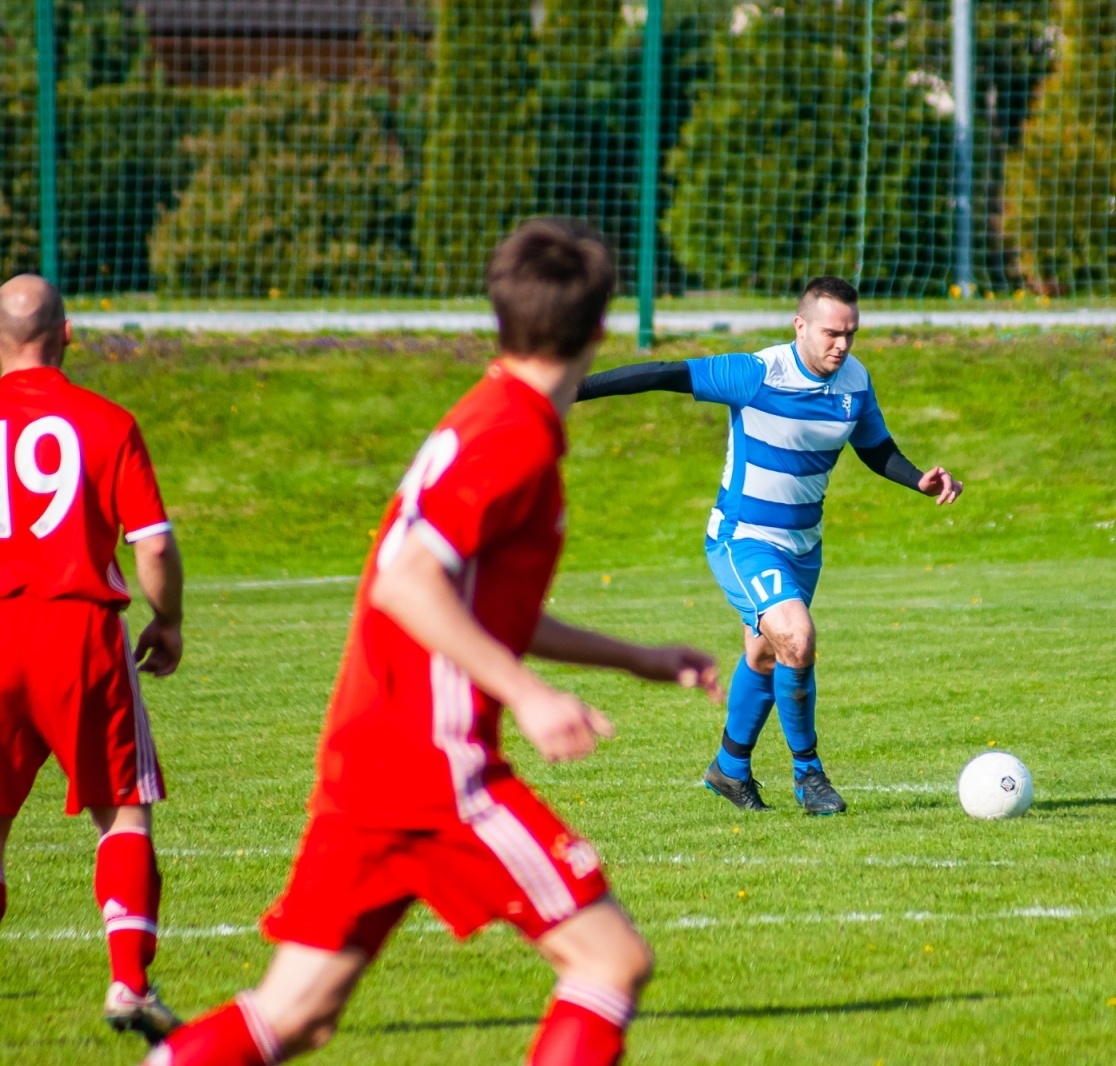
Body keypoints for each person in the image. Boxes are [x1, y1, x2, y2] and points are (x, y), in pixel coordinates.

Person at [143, 219, 721, 1066]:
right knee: (610, 961)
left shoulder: (490, 413)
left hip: (371, 754)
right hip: (436, 764)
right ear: (602, 328)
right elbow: (407, 582)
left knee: (294, 1014)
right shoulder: (514, 435)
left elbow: (475, 606)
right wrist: (527, 694)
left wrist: (636, 657)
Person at [576, 276, 963, 816]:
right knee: (796, 638)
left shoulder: (855, 381)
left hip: (804, 546)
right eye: (832, 333)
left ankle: (729, 769)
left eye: (851, 334)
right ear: (800, 326)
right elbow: (664, 375)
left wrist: (918, 478)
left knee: (764, 652)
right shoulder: (757, 373)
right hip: (744, 539)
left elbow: (875, 447)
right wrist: (574, 389)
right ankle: (810, 776)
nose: (842, 345)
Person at [0, 275, 185, 1043]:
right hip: (79, 634)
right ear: (69, 333)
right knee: (122, 812)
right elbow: (155, 544)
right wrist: (168, 621)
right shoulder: (107, 421)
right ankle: (129, 986)